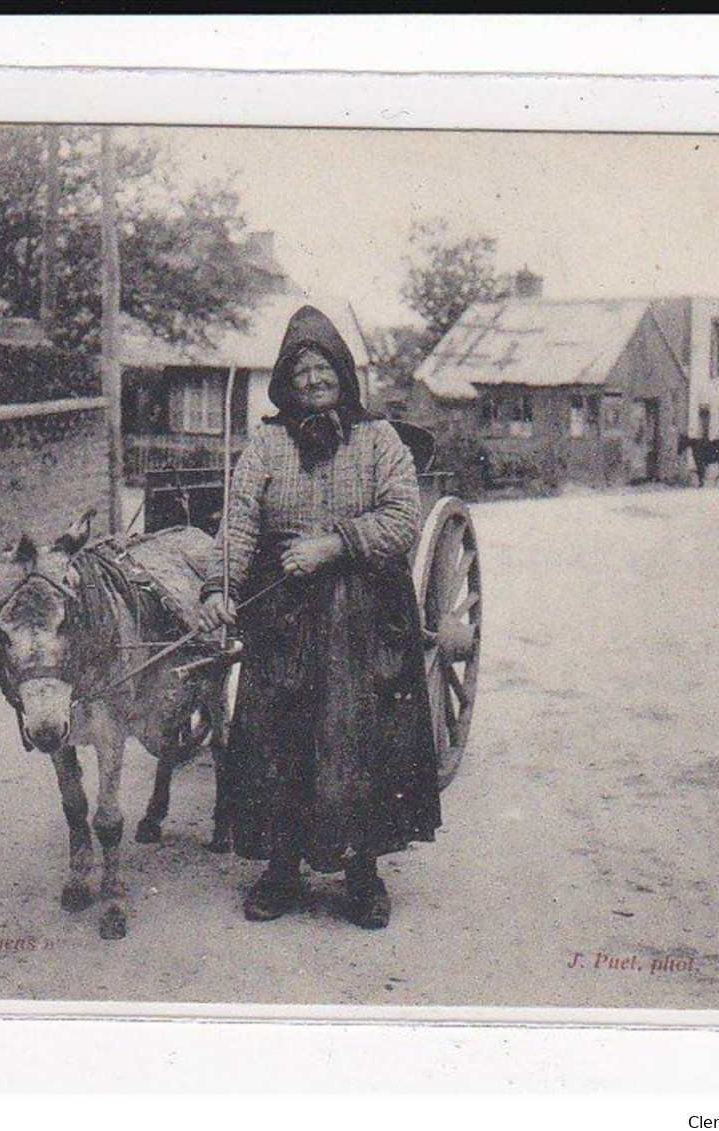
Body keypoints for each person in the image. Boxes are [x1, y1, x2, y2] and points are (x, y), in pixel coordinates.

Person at [198, 305, 441, 927]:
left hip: (365, 613)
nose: (312, 380)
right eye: (300, 370)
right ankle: (280, 871)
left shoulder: (379, 440)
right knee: (277, 733)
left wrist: (334, 545)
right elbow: (241, 519)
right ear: (285, 380)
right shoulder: (268, 444)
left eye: (323, 367)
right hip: (281, 614)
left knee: (357, 737)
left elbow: (401, 520)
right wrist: (217, 588)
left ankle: (363, 876)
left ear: (342, 373)